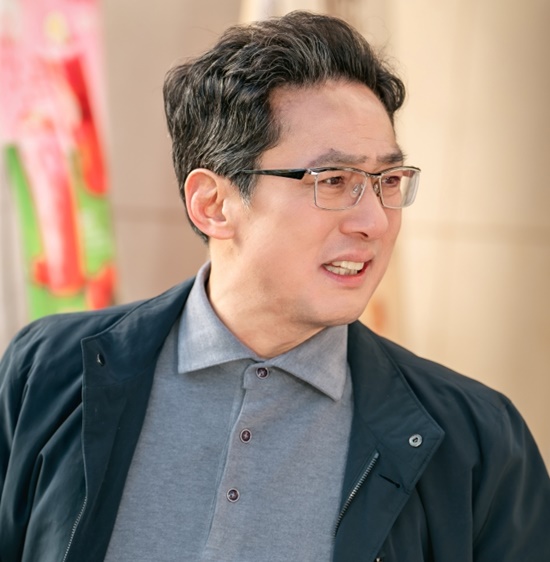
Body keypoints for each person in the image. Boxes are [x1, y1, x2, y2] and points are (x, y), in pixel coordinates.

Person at [0, 10, 549, 562]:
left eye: (387, 181)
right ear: (213, 204)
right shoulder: (47, 372)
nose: (374, 222)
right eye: (333, 180)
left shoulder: (478, 441)